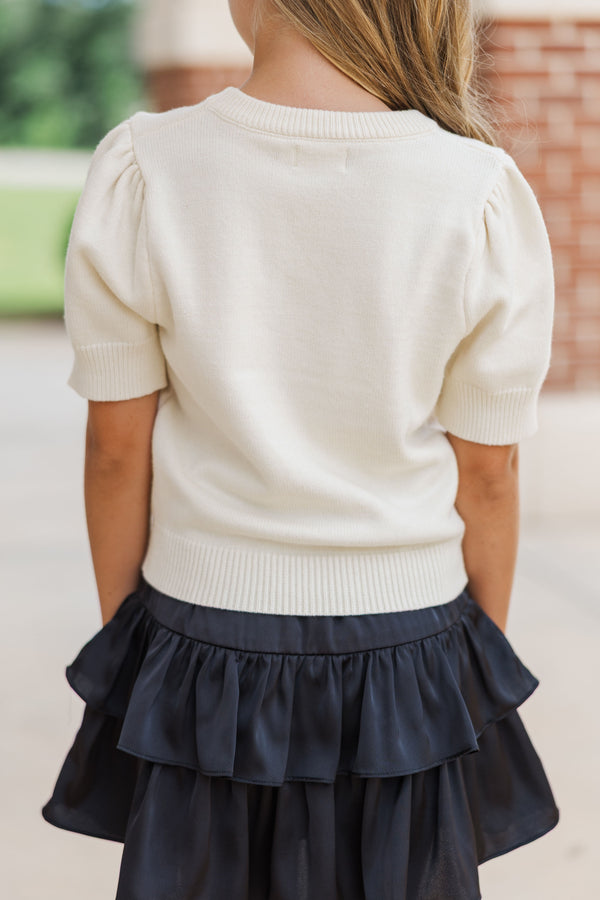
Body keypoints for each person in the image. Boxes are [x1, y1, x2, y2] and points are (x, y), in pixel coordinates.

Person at [41, 0, 560, 897]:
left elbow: (116, 452)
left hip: (199, 642)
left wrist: (136, 642)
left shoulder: (146, 166)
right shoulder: (476, 190)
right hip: (410, 647)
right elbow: (490, 475)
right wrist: (465, 668)